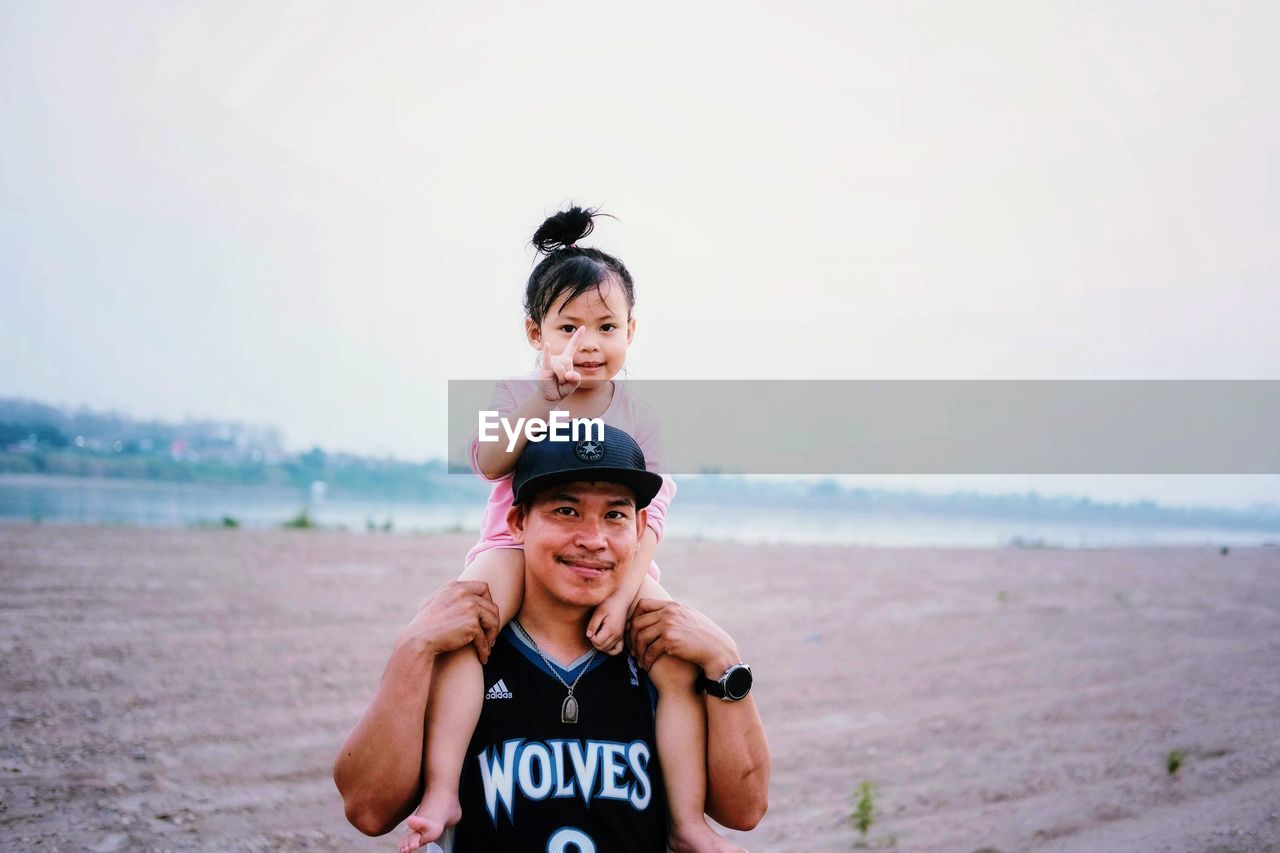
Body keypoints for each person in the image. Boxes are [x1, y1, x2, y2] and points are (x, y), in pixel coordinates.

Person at [399, 206, 724, 850]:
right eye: (569, 326)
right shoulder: (516, 392)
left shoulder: (640, 415)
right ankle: (442, 788)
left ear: (632, 331)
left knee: (673, 658)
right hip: (513, 547)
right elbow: (485, 459)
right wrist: (538, 400)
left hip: (619, 560)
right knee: (468, 630)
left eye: (607, 326)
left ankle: (687, 824)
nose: (589, 343)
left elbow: (653, 511)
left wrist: (627, 594)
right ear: (535, 332)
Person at [333, 425, 770, 850]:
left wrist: (726, 664)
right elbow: (369, 810)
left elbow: (745, 812)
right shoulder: (463, 648)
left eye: (614, 515)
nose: (593, 540)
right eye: (566, 511)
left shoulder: (659, 651)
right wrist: (412, 649)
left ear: (639, 529)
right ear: (518, 522)